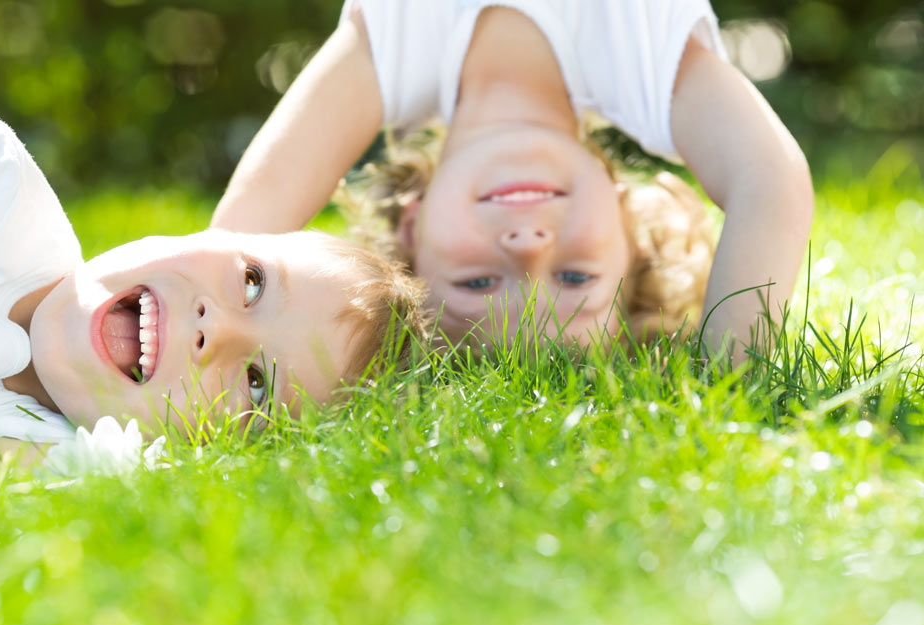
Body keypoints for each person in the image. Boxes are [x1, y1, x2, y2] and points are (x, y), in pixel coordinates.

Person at [0, 101, 426, 482]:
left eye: (256, 383)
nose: (217, 330)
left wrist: (86, 464)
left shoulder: (40, 450)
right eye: (252, 283)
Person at [212, 0, 814, 357]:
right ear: (629, 227)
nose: (528, 250)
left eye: (478, 282)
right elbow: (771, 183)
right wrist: (727, 381)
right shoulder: (635, 56)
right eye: (576, 277)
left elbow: (230, 247)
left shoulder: (396, 53)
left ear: (413, 229)